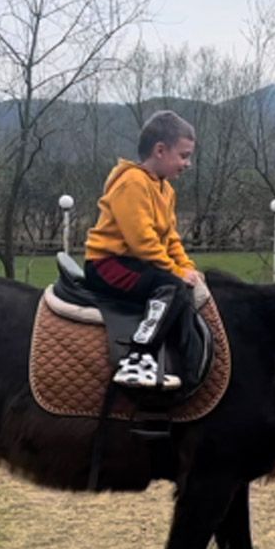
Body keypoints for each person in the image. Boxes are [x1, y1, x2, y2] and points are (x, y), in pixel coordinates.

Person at [84, 110, 201, 390]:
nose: (188, 164)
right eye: (183, 156)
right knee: (171, 288)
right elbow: (143, 241)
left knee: (181, 286)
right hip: (108, 264)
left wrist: (188, 267)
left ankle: (184, 363)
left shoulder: (165, 190)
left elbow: (170, 239)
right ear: (160, 150)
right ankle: (137, 358)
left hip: (135, 262)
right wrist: (175, 273)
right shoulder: (132, 183)